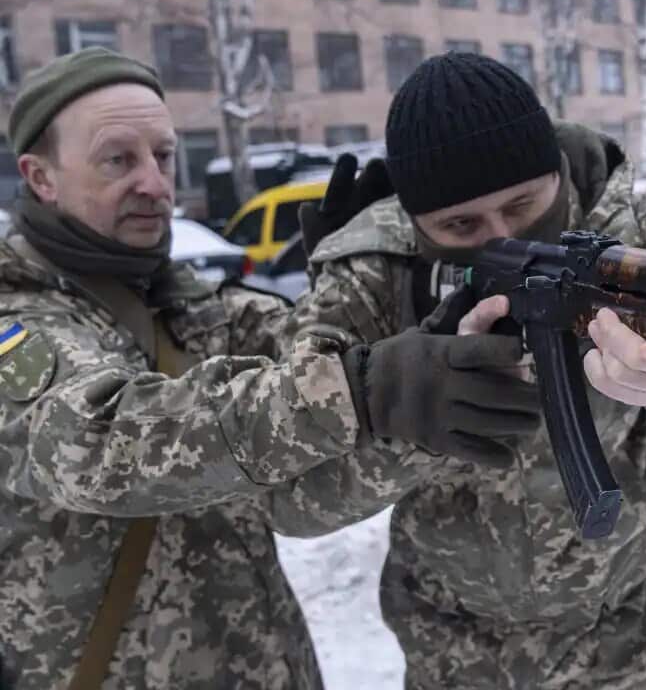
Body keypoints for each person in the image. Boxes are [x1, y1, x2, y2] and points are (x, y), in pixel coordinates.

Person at [291, 53, 646, 689]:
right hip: (458, 662)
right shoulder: (375, 272)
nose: (504, 235)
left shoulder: (636, 229)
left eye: (525, 203)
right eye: (461, 225)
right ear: (414, 219)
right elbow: (295, 501)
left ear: (559, 171)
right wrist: (406, 412)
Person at [0, 48, 511, 689]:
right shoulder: (16, 321)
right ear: (40, 177)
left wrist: (372, 276)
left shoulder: (190, 307)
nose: (154, 184)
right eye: (117, 159)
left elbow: (310, 368)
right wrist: (362, 385)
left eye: (163, 156)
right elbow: (99, 444)